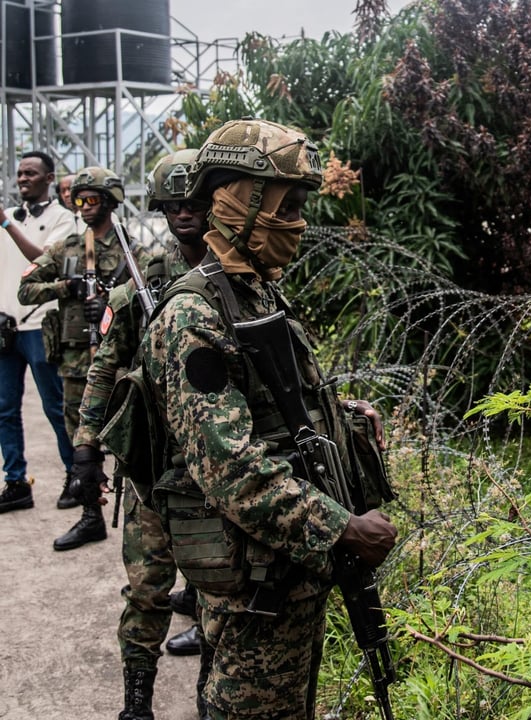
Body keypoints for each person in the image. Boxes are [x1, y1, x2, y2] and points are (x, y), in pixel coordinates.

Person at [137, 118, 397, 719]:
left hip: (289, 567)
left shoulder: (255, 293)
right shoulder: (193, 316)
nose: (299, 222)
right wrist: (342, 527)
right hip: (256, 582)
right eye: (289, 203)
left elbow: (276, 409)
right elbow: (231, 468)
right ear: (239, 201)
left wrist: (344, 416)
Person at [69, 150, 208, 718]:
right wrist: (85, 446)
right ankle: (136, 701)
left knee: (220, 596)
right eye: (171, 204)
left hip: (217, 469)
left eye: (192, 201)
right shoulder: (148, 275)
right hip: (153, 465)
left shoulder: (241, 275)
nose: (182, 213)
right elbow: (106, 362)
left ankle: (212, 696)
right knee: (147, 591)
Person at [17, 166, 129, 548]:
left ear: (110, 201)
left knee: (136, 442)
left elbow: (156, 295)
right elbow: (26, 291)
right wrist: (67, 287)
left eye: (91, 199)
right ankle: (90, 516)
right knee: (81, 447)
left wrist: (114, 301)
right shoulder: (67, 248)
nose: (82, 207)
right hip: (76, 364)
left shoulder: (132, 250)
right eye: (78, 200)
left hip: (123, 364)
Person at [0, 151, 77, 514]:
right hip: (6, 326)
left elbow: (41, 264)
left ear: (49, 178)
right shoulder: (10, 218)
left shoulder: (65, 220)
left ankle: (75, 475)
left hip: (39, 326)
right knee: (4, 409)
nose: (22, 179)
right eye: (19, 173)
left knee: (56, 406)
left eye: (30, 173)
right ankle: (15, 482)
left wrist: (5, 224)